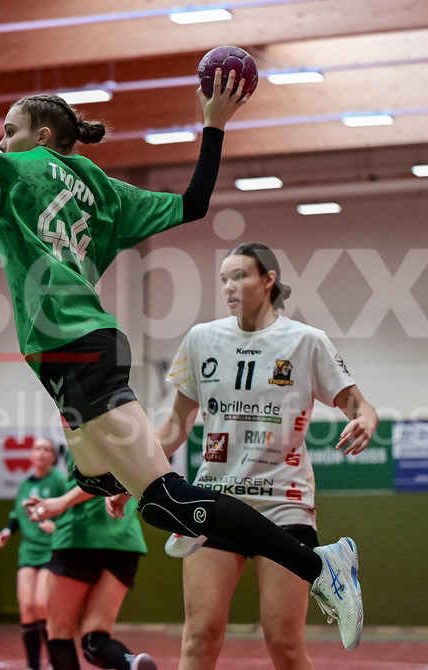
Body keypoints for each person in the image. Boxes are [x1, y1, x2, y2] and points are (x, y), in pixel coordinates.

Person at [0, 70, 365, 650]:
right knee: (102, 477)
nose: (1, 142)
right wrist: (213, 126)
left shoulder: (12, 168)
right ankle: (126, 483)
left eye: (10, 130)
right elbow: (194, 203)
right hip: (84, 351)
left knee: (166, 501)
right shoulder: (100, 188)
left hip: (74, 350)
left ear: (44, 135)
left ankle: (319, 564)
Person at [157, 243, 378, 669]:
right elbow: (174, 426)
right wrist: (134, 477)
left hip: (283, 505)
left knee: (284, 642)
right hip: (214, 502)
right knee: (199, 637)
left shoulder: (306, 341)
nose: (229, 287)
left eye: (239, 276)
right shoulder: (201, 339)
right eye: (223, 279)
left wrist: (366, 420)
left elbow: (359, 405)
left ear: (268, 280)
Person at [26, 455, 155, 670]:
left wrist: (60, 503)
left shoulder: (84, 426)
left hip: (80, 534)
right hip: (124, 538)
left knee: (59, 635)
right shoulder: (134, 432)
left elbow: (104, 479)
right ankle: (131, 665)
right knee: (95, 641)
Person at [0, 438, 65, 670]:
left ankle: (55, 661)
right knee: (26, 607)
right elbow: (16, 515)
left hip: (50, 549)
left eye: (46, 449)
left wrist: (57, 526)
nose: (41, 452)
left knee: (41, 604)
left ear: (53, 457)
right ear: (31, 455)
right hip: (28, 550)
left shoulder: (59, 481)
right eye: (37, 448)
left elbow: (70, 508)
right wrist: (6, 531)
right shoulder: (25, 484)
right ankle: (33, 665)